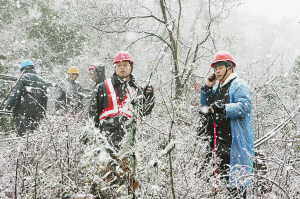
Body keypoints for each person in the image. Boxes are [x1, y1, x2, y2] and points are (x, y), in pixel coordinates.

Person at [200, 51, 254, 198]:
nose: (217, 71)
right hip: (219, 146)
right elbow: (205, 108)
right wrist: (206, 88)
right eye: (215, 68)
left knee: (237, 189)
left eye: (220, 67)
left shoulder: (239, 84)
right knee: (220, 189)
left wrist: (224, 108)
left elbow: (245, 107)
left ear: (230, 68)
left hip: (235, 146)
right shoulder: (218, 88)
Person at [88, 51, 155, 152]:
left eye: (125, 64)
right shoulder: (102, 87)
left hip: (129, 143)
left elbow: (143, 112)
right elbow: (92, 113)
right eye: (119, 65)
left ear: (131, 67)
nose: (122, 67)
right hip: (105, 142)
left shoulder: (138, 90)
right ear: (114, 67)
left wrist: (149, 96)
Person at [4, 59, 48, 137]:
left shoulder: (23, 78)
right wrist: (43, 113)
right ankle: (31, 148)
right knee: (34, 135)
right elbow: (44, 99)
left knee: (21, 135)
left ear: (23, 69)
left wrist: (8, 106)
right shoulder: (42, 81)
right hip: (36, 113)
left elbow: (15, 94)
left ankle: (21, 148)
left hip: (22, 112)